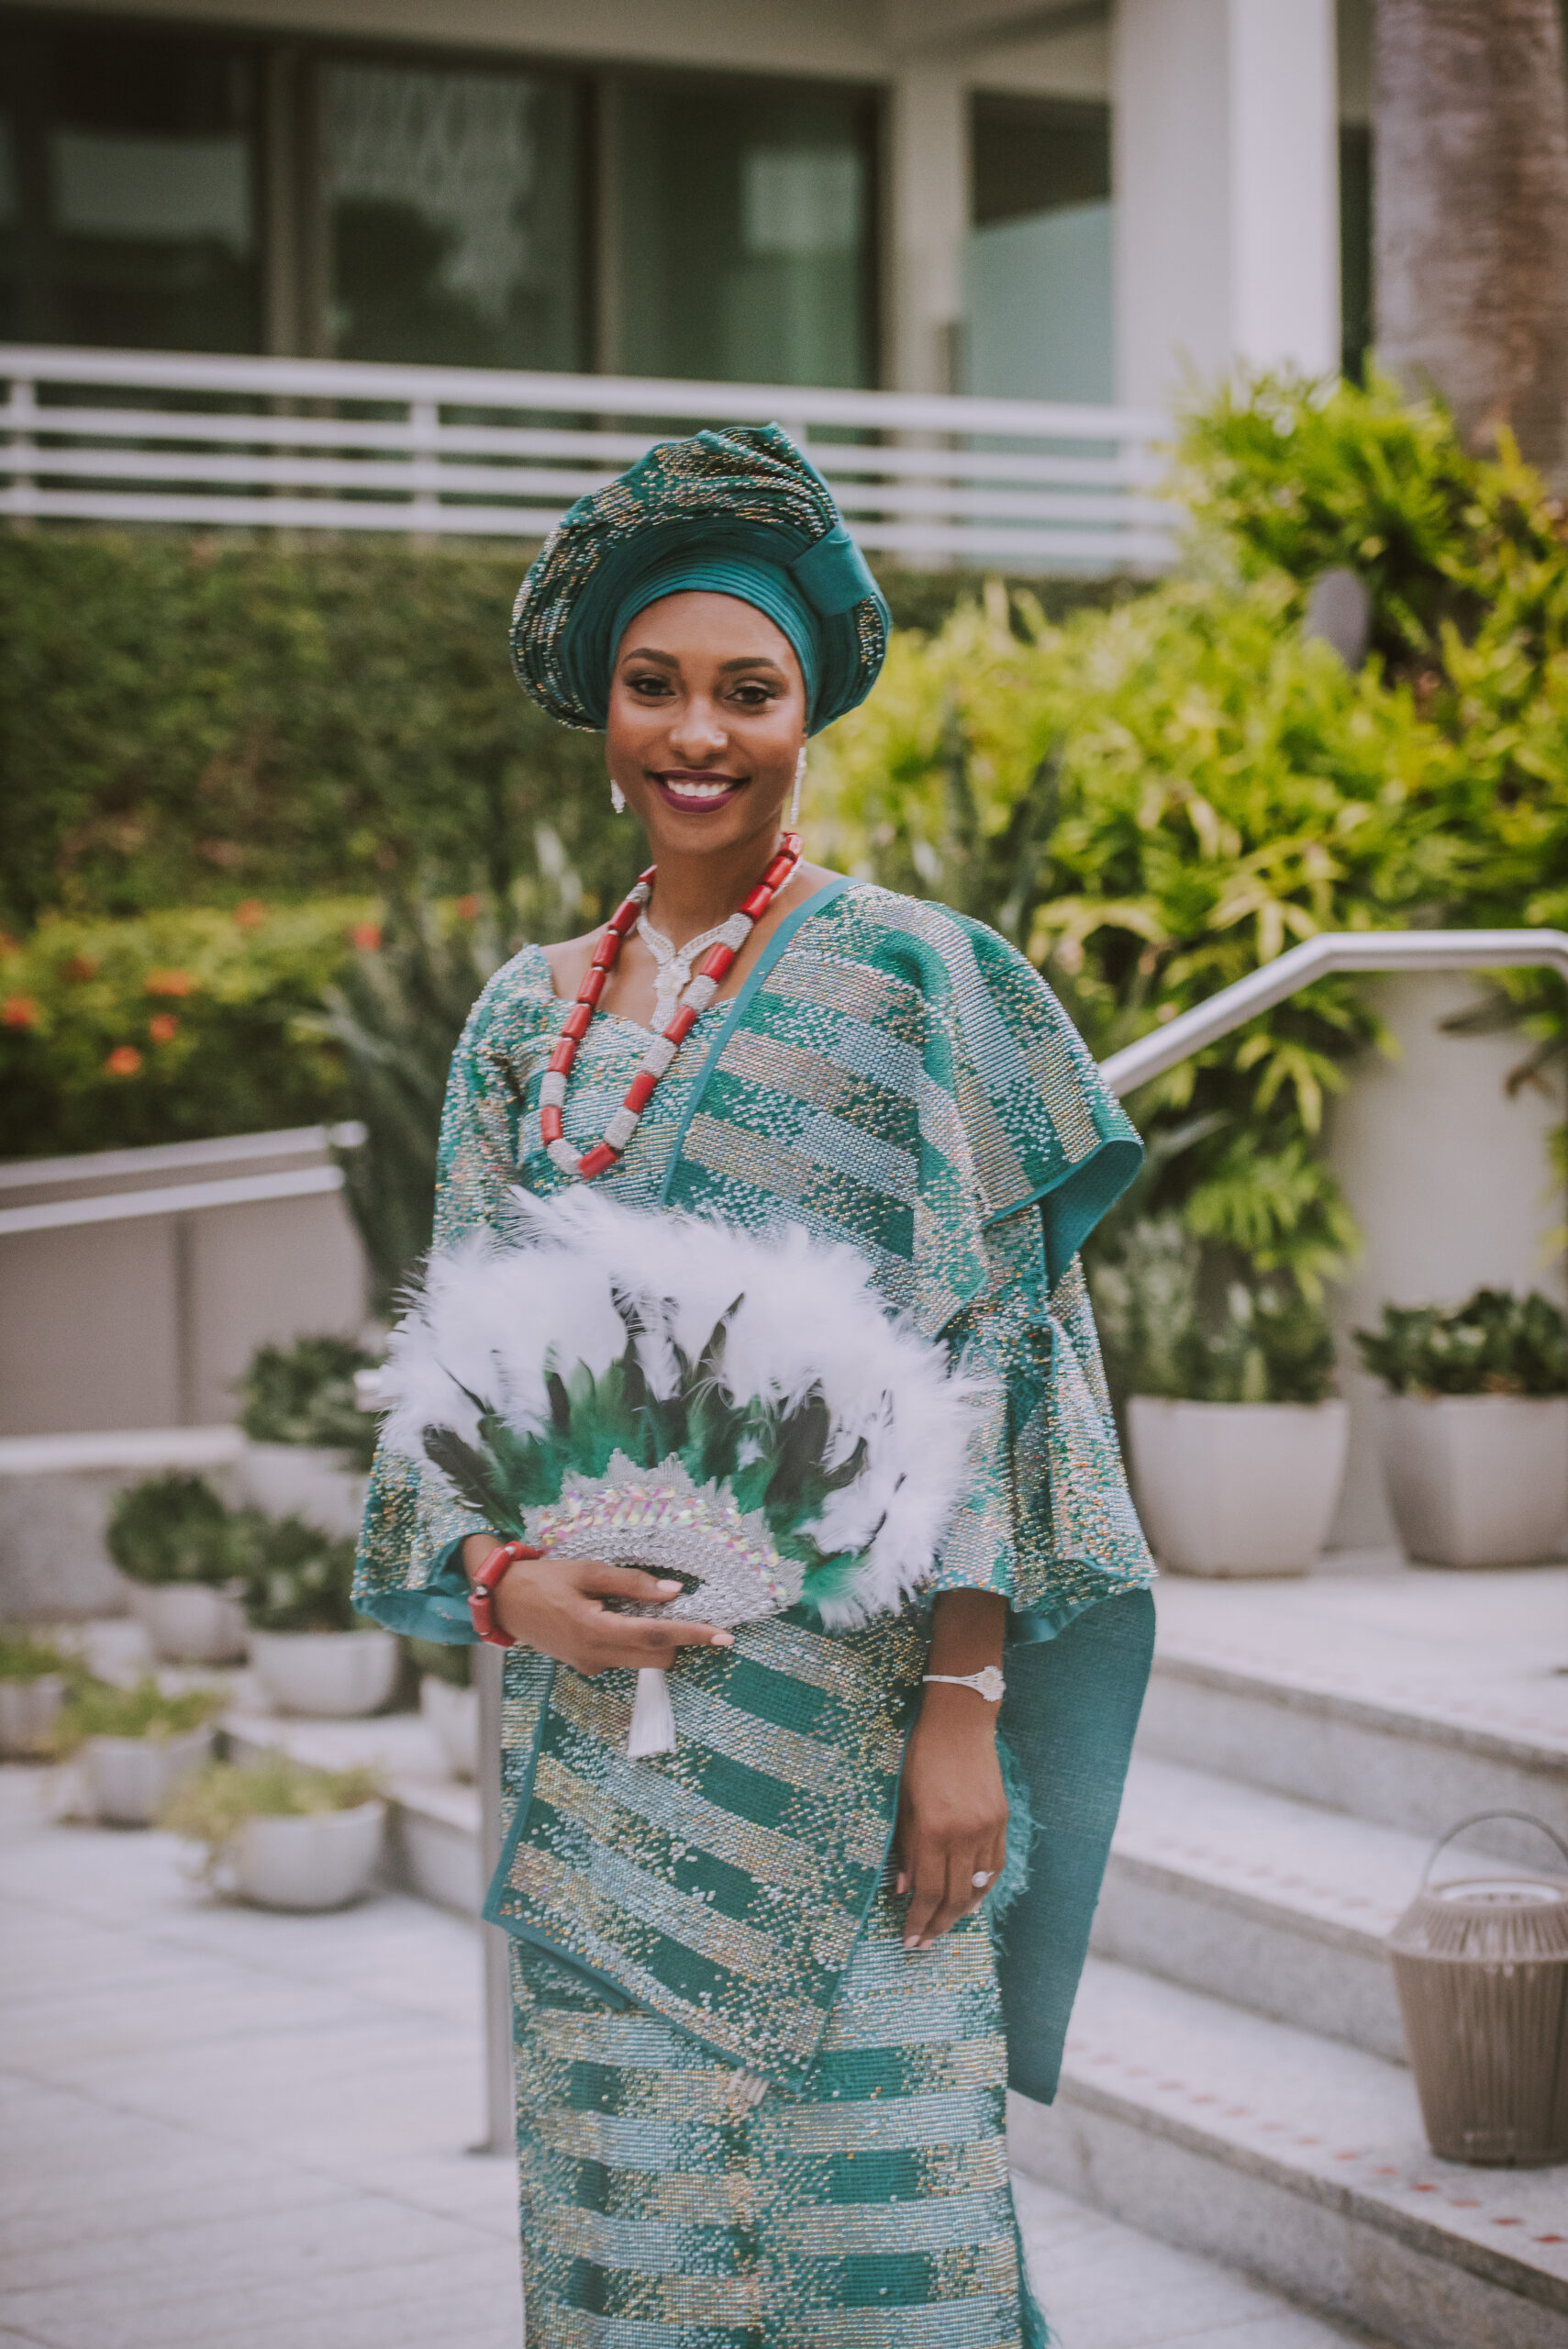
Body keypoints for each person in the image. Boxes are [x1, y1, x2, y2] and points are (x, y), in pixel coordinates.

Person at [354, 423, 1156, 2349]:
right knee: (631, 2270)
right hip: (603, 1779)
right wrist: (501, 1581)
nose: (695, 733)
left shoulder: (915, 982)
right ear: (602, 702)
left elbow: (1004, 1371)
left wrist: (963, 1710)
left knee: (888, 2262)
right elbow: (443, 1388)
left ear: (812, 708)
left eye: (747, 689)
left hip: (855, 1757)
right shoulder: (518, 1024)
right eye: (655, 684)